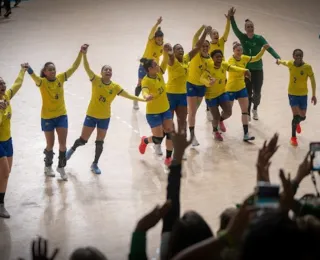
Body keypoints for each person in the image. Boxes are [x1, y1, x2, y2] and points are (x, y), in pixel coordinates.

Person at [66, 44, 146, 174]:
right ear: (101, 73)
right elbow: (87, 68)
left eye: (110, 70)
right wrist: (84, 54)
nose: (108, 71)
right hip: (91, 115)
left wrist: (143, 100)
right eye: (106, 70)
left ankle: (95, 164)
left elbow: (128, 95)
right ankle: (71, 150)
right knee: (83, 140)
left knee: (100, 142)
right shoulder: (96, 80)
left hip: (104, 118)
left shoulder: (114, 87)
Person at [26, 46, 83, 180]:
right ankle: (48, 166)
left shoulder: (61, 78)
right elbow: (33, 76)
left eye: (54, 69)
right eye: (49, 69)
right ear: (45, 72)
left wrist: (81, 53)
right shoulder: (42, 82)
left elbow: (74, 67)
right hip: (47, 117)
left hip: (61, 115)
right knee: (50, 144)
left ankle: (61, 167)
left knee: (63, 143)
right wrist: (28, 69)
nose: (52, 71)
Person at [152, 27, 210, 156]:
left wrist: (205, 32)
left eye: (182, 49)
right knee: (168, 125)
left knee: (182, 123)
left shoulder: (185, 59)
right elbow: (171, 58)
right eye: (178, 49)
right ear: (174, 51)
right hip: (170, 95)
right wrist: (171, 52)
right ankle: (157, 143)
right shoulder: (172, 61)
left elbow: (197, 47)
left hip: (182, 95)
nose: (181, 50)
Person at [230, 7, 281, 120]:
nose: (250, 28)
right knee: (247, 93)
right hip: (247, 70)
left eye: (251, 26)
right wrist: (232, 17)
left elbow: (268, 48)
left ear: (254, 28)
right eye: (248, 27)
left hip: (258, 69)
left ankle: (255, 109)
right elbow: (235, 29)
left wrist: (277, 57)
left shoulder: (259, 38)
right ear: (245, 28)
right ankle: (247, 112)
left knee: (257, 94)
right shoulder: (242, 37)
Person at [200, 50, 250, 141]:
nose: (219, 58)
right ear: (212, 58)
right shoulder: (209, 67)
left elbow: (233, 68)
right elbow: (202, 78)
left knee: (228, 112)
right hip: (211, 96)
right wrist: (208, 83)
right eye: (217, 57)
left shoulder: (224, 64)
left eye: (220, 57)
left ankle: (220, 120)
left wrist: (244, 70)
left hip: (222, 93)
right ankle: (215, 131)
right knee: (215, 116)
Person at [138, 44, 174, 166]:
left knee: (169, 131)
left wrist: (165, 52)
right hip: (153, 112)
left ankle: (168, 158)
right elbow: (145, 90)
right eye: (155, 65)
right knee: (158, 138)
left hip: (165, 108)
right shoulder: (146, 80)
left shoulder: (159, 74)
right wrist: (146, 96)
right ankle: (145, 140)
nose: (158, 66)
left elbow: (164, 62)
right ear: (149, 69)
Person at [227, 42, 269, 140]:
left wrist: (263, 49)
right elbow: (234, 69)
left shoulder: (244, 58)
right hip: (231, 88)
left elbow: (256, 58)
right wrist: (245, 71)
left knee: (245, 111)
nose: (240, 52)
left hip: (241, 88)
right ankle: (218, 123)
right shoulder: (230, 60)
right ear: (233, 51)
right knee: (228, 112)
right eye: (238, 50)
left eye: (241, 50)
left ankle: (246, 134)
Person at [0, 64, 27, 218]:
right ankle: (1, 205)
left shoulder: (7, 97)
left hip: (7, 140)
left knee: (6, 173)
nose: (3, 85)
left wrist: (22, 70)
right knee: (4, 174)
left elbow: (17, 84)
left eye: (3, 83)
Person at [276, 49, 317, 146]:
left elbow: (313, 81)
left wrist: (314, 95)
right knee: (296, 116)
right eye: (296, 56)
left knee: (303, 116)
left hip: (303, 94)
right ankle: (293, 137)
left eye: (300, 56)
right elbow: (284, 62)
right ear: (293, 56)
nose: (298, 58)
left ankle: (298, 122)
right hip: (292, 94)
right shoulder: (290, 64)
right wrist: (279, 61)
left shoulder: (307, 67)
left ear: (302, 57)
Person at [187, 25, 213, 147]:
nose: (204, 48)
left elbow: (205, 76)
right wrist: (204, 29)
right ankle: (192, 137)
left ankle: (187, 120)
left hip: (201, 87)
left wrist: (210, 81)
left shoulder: (210, 61)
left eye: (207, 46)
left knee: (193, 112)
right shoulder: (196, 54)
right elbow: (195, 38)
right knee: (192, 112)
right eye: (203, 45)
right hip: (191, 85)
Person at [205, 8, 232, 121]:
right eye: (213, 33)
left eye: (217, 33)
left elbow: (226, 32)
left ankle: (219, 116)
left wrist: (228, 20)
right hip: (211, 70)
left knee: (222, 86)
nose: (216, 35)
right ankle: (210, 108)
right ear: (210, 36)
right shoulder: (208, 46)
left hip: (221, 69)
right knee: (211, 87)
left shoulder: (221, 42)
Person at [133, 17, 164, 110]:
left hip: (154, 66)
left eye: (160, 38)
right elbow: (152, 33)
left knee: (156, 83)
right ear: (155, 38)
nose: (158, 40)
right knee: (140, 83)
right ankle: (135, 100)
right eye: (157, 38)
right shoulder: (151, 41)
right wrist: (157, 24)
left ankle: (156, 100)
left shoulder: (162, 45)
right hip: (144, 65)